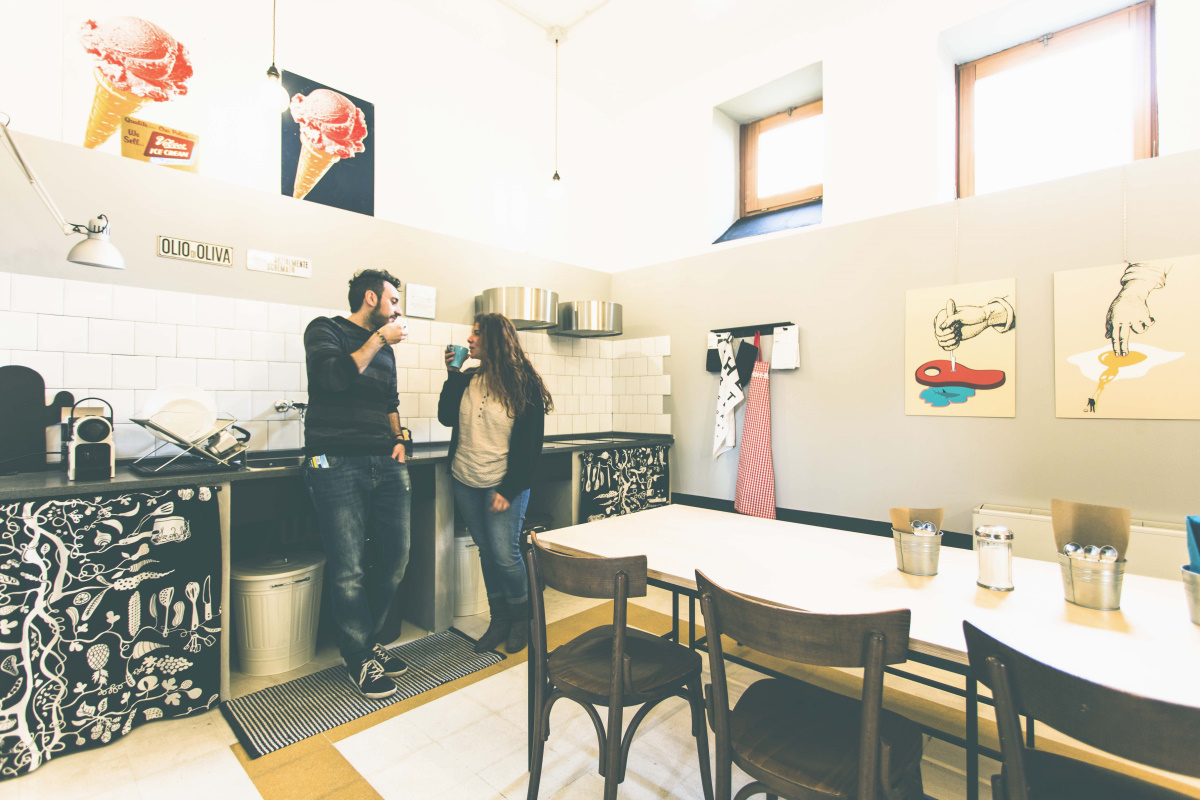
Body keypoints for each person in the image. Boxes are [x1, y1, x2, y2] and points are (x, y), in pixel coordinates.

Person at [303, 269, 412, 700]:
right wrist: (380, 339)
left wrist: (399, 439)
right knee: (348, 568)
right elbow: (331, 378)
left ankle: (367, 640)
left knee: (395, 558)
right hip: (333, 461)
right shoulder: (324, 330)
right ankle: (358, 655)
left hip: (385, 460)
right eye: (393, 300)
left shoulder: (385, 350)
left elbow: (390, 403)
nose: (398, 309)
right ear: (370, 298)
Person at [439, 313, 551, 653]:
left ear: (494, 340)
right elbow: (446, 417)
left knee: (505, 554)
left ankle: (522, 619)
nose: (469, 339)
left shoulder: (524, 384)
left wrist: (508, 489)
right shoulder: (467, 379)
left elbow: (530, 445)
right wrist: (452, 373)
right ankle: (499, 619)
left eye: (476, 334)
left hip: (502, 482)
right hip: (466, 478)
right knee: (487, 552)